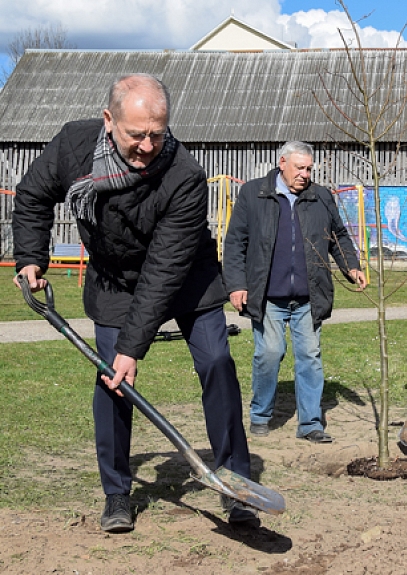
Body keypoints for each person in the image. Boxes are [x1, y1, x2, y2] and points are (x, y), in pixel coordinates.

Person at [12, 74, 256, 533]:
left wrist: (133, 346)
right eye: (136, 134)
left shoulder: (184, 175)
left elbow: (165, 271)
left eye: (156, 135)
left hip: (186, 278)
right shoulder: (74, 144)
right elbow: (32, 196)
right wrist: (30, 257)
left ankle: (234, 483)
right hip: (113, 280)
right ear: (109, 121)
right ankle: (117, 493)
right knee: (111, 380)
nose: (147, 145)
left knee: (217, 362)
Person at [223, 141, 367, 444]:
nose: (305, 174)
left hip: (308, 296)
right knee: (270, 353)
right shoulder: (254, 193)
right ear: (282, 163)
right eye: (300, 168)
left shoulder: (321, 197)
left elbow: (338, 235)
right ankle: (260, 413)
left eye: (309, 169)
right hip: (268, 295)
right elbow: (235, 242)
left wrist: (350, 267)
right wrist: (236, 284)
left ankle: (311, 423)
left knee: (310, 357)